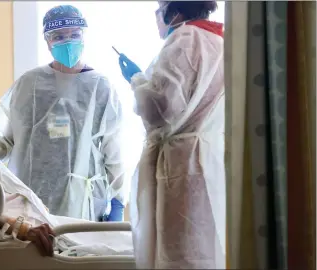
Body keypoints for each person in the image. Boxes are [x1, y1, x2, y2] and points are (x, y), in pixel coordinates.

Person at [0, 5, 127, 223]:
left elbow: (113, 151)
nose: (68, 42)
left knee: (75, 251)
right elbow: (6, 141)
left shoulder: (100, 87)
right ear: (47, 41)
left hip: (82, 202)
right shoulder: (30, 84)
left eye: (74, 35)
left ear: (83, 37)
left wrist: (118, 201)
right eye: (59, 36)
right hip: (29, 197)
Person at [117, 1, 225, 269]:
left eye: (160, 6)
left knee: (179, 252)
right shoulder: (220, 40)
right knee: (207, 248)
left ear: (174, 11)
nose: (157, 14)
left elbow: (161, 108)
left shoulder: (185, 38)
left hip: (182, 164)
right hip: (209, 158)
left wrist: (137, 80)